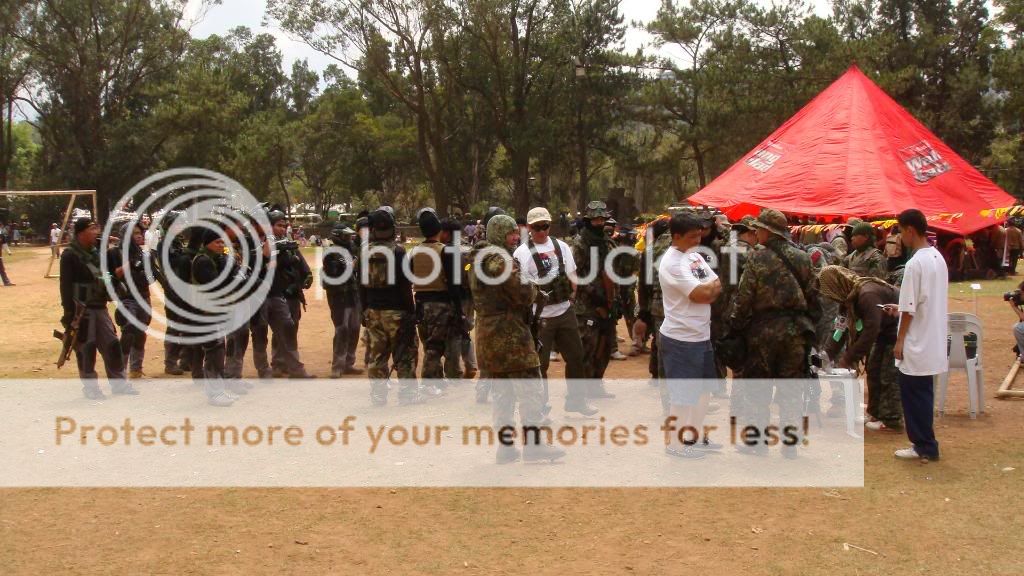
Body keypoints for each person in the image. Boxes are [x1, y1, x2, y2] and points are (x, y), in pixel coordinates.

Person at [471, 214, 565, 464]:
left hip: (488, 335)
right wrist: (535, 289)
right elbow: (522, 291)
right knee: (530, 389)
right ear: (500, 233)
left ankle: (506, 447)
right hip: (510, 334)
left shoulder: (480, 256)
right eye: (511, 233)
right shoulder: (499, 259)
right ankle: (534, 446)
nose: (516, 237)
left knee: (502, 393)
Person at [728, 209, 820, 458]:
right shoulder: (803, 257)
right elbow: (814, 296)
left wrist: (735, 327)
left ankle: (757, 443)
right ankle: (790, 444)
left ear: (767, 231)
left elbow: (744, 297)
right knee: (791, 389)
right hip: (797, 333)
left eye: (758, 229)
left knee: (758, 388)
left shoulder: (757, 257)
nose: (755, 233)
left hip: (763, 333)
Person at [512, 206, 596, 417]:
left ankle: (577, 401)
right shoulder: (522, 253)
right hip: (540, 317)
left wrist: (572, 295)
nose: (542, 231)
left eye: (546, 226)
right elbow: (520, 287)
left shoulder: (561, 246)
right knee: (541, 364)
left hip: (565, 311)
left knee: (576, 356)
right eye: (537, 227)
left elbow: (572, 273)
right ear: (529, 228)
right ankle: (540, 407)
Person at [659, 212, 723, 460]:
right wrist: (708, 290)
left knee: (704, 389)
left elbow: (715, 284)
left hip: (700, 334)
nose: (698, 239)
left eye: (699, 234)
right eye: (692, 236)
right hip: (681, 337)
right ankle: (675, 443)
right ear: (676, 237)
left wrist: (708, 290)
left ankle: (693, 436)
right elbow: (700, 294)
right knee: (683, 394)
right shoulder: (672, 263)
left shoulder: (694, 256)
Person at [886, 209, 947, 461]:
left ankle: (923, 444)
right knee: (924, 393)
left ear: (910, 230)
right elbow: (921, 301)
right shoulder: (937, 258)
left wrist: (900, 340)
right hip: (932, 335)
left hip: (917, 339)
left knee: (913, 395)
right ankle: (925, 442)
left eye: (901, 231)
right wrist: (898, 310)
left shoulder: (914, 263)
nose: (900, 237)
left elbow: (910, 308)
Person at [819, 266, 903, 431]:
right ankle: (875, 413)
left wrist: (849, 358)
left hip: (895, 331)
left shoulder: (867, 295)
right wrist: (826, 355)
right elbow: (839, 331)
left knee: (887, 373)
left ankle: (892, 419)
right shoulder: (847, 300)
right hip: (882, 332)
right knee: (873, 369)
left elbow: (871, 330)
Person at [59, 218, 135, 399]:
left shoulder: (97, 253)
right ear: (81, 232)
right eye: (93, 228)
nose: (96, 232)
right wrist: (69, 313)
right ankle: (91, 388)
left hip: (100, 306)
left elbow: (104, 276)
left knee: (112, 344)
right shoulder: (70, 255)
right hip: (82, 310)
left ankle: (119, 383)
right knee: (86, 350)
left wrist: (114, 281)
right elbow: (65, 286)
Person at [361, 206, 422, 406]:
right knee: (404, 354)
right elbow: (405, 285)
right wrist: (411, 312)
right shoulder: (397, 252)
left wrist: (364, 310)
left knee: (377, 356)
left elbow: (360, 286)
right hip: (397, 312)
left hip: (373, 311)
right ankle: (407, 396)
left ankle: (378, 397)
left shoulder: (364, 253)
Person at [570, 201, 617, 400]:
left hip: (607, 302)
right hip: (586, 305)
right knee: (587, 347)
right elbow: (574, 275)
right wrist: (592, 293)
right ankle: (584, 389)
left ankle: (597, 385)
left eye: (602, 219)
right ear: (588, 220)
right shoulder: (580, 244)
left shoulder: (607, 242)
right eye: (595, 219)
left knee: (605, 347)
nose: (599, 222)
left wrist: (614, 299)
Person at [410, 208, 458, 395]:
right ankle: (429, 383)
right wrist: (458, 309)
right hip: (440, 304)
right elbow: (453, 285)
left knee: (428, 342)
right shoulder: (445, 251)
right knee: (436, 346)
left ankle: (438, 380)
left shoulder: (415, 252)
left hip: (420, 303)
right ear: (439, 230)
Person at [264, 209, 315, 379]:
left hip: (293, 293)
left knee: (292, 328)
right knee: (281, 331)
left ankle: (287, 364)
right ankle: (279, 364)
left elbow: (300, 261)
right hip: (278, 293)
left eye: (284, 225)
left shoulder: (288, 243)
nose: (283, 228)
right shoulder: (267, 245)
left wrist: (307, 275)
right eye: (279, 225)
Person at [107, 222, 155, 380]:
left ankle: (136, 369)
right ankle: (120, 372)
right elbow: (111, 275)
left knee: (140, 333)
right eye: (134, 233)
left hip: (144, 297)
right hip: (126, 298)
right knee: (128, 332)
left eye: (140, 232)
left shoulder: (143, 254)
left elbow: (151, 278)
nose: (139, 235)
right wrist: (129, 265)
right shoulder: (114, 253)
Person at [323, 224, 363, 377]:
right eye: (346, 236)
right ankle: (337, 366)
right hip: (338, 297)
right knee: (342, 330)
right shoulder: (330, 252)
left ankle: (348, 363)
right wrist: (350, 266)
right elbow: (333, 273)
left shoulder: (351, 249)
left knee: (354, 329)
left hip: (352, 295)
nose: (349, 239)